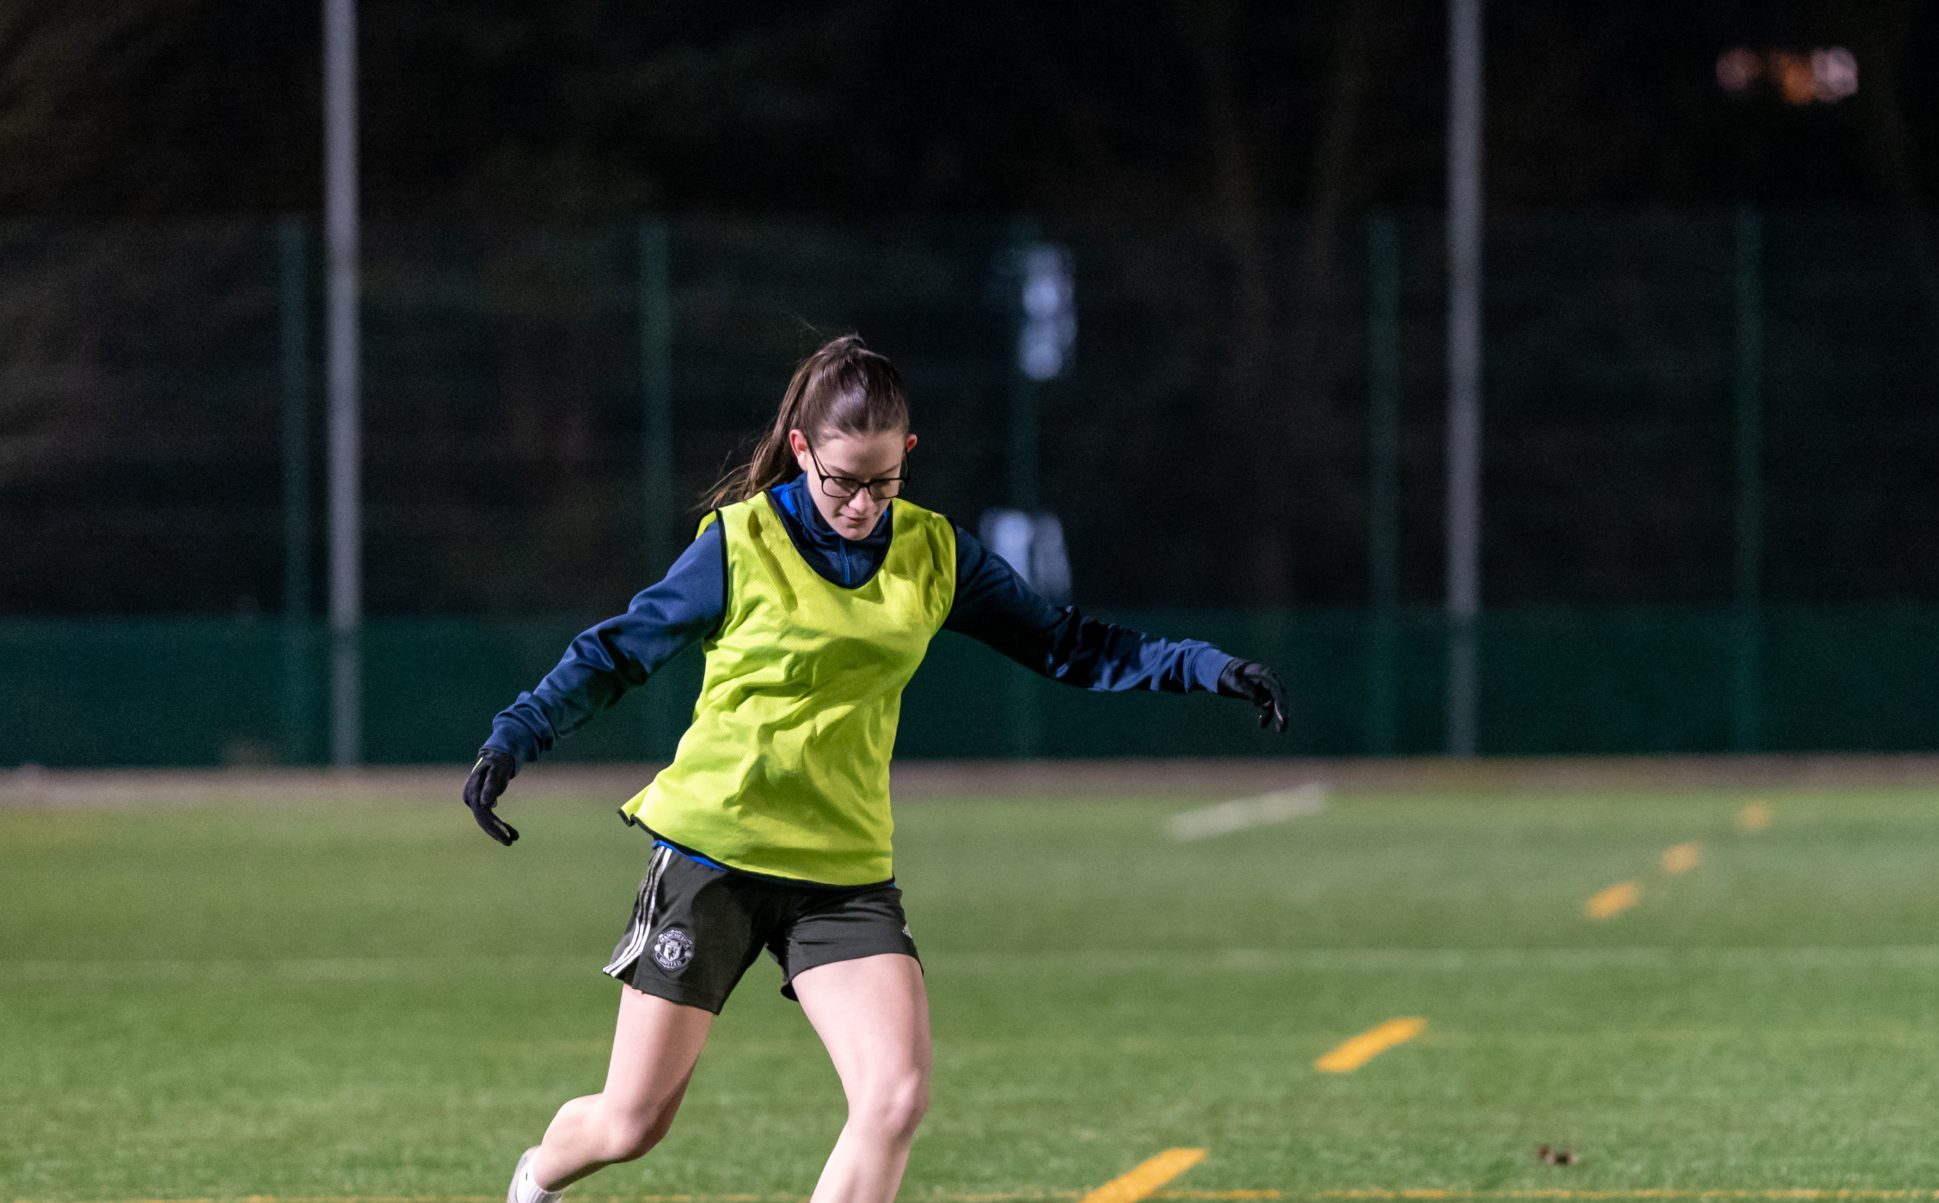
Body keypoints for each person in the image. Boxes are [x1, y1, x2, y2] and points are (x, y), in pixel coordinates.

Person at [464, 334, 1288, 1203]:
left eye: (883, 481)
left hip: (841, 872)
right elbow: (615, 653)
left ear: (908, 457)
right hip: (714, 854)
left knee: (894, 1098)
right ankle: (537, 1179)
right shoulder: (738, 542)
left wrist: (1205, 666)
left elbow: (1068, 645)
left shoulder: (936, 552)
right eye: (841, 480)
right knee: (631, 1124)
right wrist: (513, 736)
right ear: (802, 450)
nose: (861, 502)